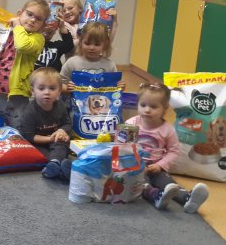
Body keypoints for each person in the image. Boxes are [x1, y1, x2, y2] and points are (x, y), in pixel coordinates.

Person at [127, 83, 210, 212]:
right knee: (140, 183)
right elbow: (122, 145)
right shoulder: (131, 123)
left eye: (153, 107)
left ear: (165, 109)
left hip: (156, 169)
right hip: (135, 168)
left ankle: (187, 198)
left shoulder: (167, 129)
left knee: (168, 184)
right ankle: (156, 196)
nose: (147, 110)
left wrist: (160, 165)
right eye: (143, 105)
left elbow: (173, 151)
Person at [0, 0, 48, 128]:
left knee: (18, 130)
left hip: (18, 97)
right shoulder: (7, 31)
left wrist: (17, 25)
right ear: (19, 14)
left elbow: (22, 45)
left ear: (43, 25)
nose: (33, 20)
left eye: (38, 19)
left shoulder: (38, 39)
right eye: (29, 14)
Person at [18, 68, 73, 181]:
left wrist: (61, 131)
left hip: (55, 140)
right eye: (41, 88)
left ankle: (55, 165)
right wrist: (51, 139)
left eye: (52, 88)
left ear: (59, 91)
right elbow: (29, 136)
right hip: (37, 142)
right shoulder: (30, 112)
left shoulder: (60, 105)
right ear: (33, 91)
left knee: (61, 145)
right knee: (40, 154)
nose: (47, 92)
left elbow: (67, 124)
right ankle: (58, 166)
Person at [60, 22, 126, 91]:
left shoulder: (110, 65)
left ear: (105, 44)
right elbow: (59, 84)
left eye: (97, 44)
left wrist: (121, 87)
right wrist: (67, 88)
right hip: (75, 97)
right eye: (87, 43)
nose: (91, 48)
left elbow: (115, 88)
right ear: (81, 42)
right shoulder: (71, 63)